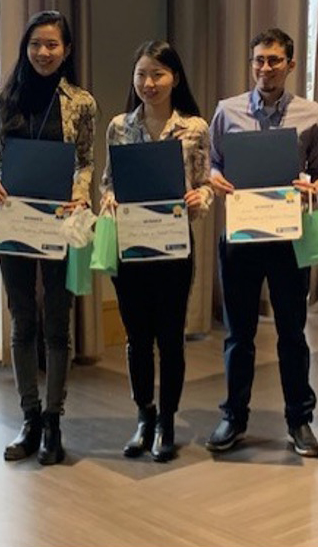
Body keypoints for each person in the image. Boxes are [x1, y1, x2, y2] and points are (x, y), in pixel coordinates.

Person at [206, 28, 318, 457]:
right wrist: (214, 179)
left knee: (292, 332)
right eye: (258, 60)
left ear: (290, 65)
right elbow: (213, 165)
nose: (265, 68)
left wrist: (315, 186)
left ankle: (300, 420)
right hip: (240, 235)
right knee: (238, 334)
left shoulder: (312, 114)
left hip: (287, 236)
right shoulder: (226, 111)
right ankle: (233, 417)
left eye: (274, 60)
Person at [0, 10, 96, 466]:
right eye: (35, 44)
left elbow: (87, 161)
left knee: (57, 321)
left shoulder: (82, 102)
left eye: (52, 45)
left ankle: (54, 420)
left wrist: (78, 195)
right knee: (22, 321)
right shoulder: (4, 99)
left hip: (59, 221)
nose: (43, 52)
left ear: (66, 51)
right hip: (15, 220)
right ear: (24, 47)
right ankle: (29, 418)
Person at [100, 40, 213, 462]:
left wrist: (200, 199)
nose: (149, 83)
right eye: (142, 75)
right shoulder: (118, 126)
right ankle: (144, 415)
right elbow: (109, 181)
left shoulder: (195, 128)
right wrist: (108, 199)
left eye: (158, 75)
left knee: (171, 338)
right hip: (130, 247)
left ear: (175, 79)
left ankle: (167, 419)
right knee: (137, 338)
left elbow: (204, 184)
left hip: (173, 246)